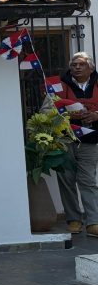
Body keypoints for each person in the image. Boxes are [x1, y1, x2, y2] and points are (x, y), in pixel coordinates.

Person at [50, 52, 98, 236]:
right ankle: (74, 219)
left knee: (88, 180)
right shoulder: (58, 84)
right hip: (64, 138)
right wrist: (66, 114)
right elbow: (47, 108)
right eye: (74, 64)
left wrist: (95, 115)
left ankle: (93, 222)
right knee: (66, 179)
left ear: (91, 68)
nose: (77, 67)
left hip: (90, 139)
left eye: (81, 64)